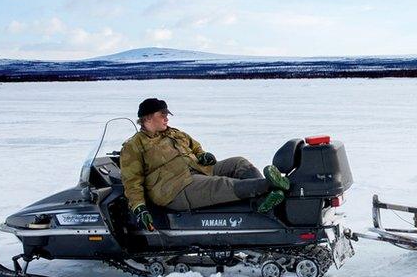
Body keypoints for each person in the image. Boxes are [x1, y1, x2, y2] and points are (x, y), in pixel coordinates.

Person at [120, 98, 290, 231]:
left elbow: (195, 147)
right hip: (175, 188)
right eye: (162, 115)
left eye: (166, 114)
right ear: (148, 118)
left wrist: (203, 156)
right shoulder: (134, 146)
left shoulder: (174, 133)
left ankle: (261, 203)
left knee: (239, 162)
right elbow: (132, 181)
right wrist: (139, 208)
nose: (166, 118)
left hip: (198, 170)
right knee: (220, 185)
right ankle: (269, 185)